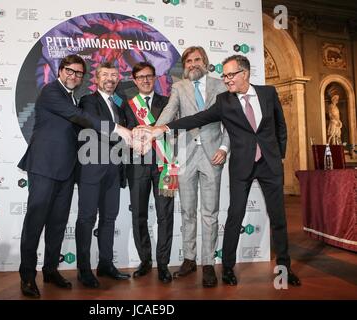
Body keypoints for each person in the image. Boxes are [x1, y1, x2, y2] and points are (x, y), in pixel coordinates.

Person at [142, 55, 301, 287]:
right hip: (241, 167)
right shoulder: (225, 101)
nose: (226, 80)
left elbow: (280, 127)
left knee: (278, 219)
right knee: (235, 216)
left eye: (230, 75)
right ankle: (227, 268)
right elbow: (198, 117)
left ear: (244, 74)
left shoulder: (268, 93)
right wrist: (163, 128)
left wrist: (279, 156)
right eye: (224, 76)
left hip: (270, 165)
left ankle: (284, 268)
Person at [18, 55, 131, 298]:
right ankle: (27, 276)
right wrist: (115, 128)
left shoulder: (72, 97)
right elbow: (81, 118)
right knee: (35, 222)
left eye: (79, 73)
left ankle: (50, 270)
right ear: (60, 70)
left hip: (68, 170)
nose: (74, 76)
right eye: (70, 71)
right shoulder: (52, 91)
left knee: (58, 224)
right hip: (45, 167)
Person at [154, 46, 229, 287]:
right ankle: (189, 258)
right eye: (188, 61)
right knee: (187, 211)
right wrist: (153, 130)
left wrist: (224, 147)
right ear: (184, 65)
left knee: (210, 213)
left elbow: (230, 120)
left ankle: (208, 263)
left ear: (205, 61)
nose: (192, 64)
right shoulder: (179, 87)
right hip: (185, 156)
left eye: (197, 59)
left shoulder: (220, 85)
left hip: (212, 155)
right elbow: (169, 112)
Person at [75, 62, 130, 288]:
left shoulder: (119, 101)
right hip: (92, 168)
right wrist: (125, 134)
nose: (110, 78)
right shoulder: (88, 100)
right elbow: (96, 126)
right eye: (105, 74)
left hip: (115, 169)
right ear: (96, 79)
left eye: (114, 75)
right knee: (87, 218)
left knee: (109, 218)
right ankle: (84, 269)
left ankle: (105, 264)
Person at [123, 62, 175, 283]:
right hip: (137, 166)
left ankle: (163, 264)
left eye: (149, 76)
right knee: (139, 215)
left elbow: (176, 130)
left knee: (165, 215)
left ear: (155, 78)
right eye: (140, 77)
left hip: (165, 165)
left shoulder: (168, 103)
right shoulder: (128, 105)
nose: (145, 80)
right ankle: (145, 261)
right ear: (134, 80)